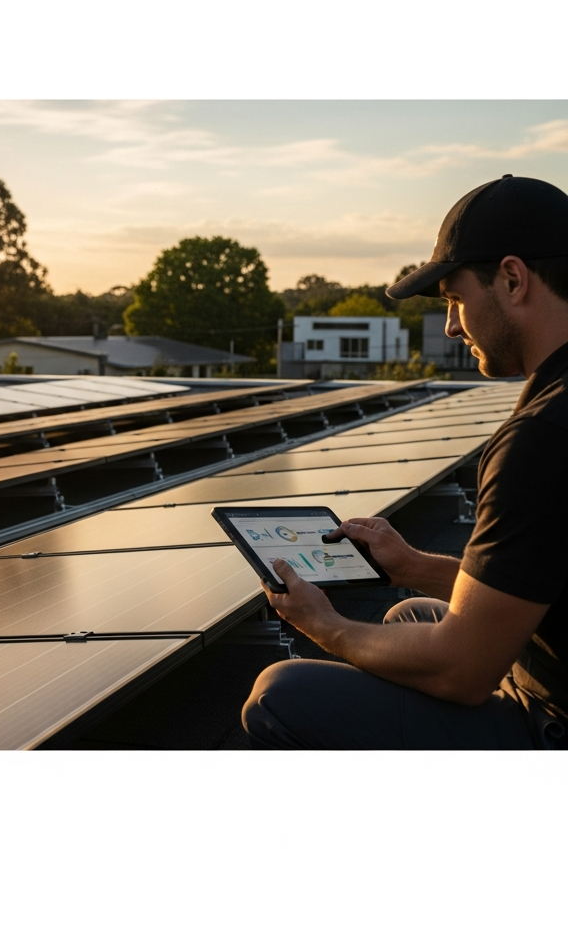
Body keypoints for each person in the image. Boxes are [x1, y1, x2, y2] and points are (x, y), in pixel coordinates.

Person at [242, 174, 568, 749]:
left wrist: (324, 624)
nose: (449, 326)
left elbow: (463, 673)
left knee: (279, 691)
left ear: (513, 279)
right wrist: (412, 564)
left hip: (554, 721)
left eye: (455, 299)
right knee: (411, 615)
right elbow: (540, 579)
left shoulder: (542, 438)